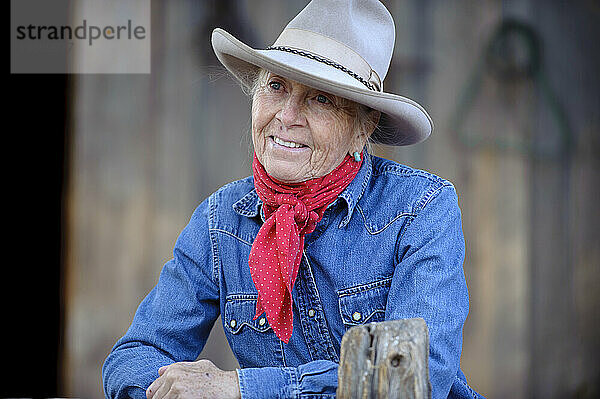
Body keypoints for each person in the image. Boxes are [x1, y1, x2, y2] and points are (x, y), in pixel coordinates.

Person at [102, 1, 484, 398]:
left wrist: (241, 388)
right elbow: (136, 355)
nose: (287, 116)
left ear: (362, 128)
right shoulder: (218, 221)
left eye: (321, 99)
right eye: (275, 86)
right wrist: (165, 391)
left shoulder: (421, 209)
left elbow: (412, 377)